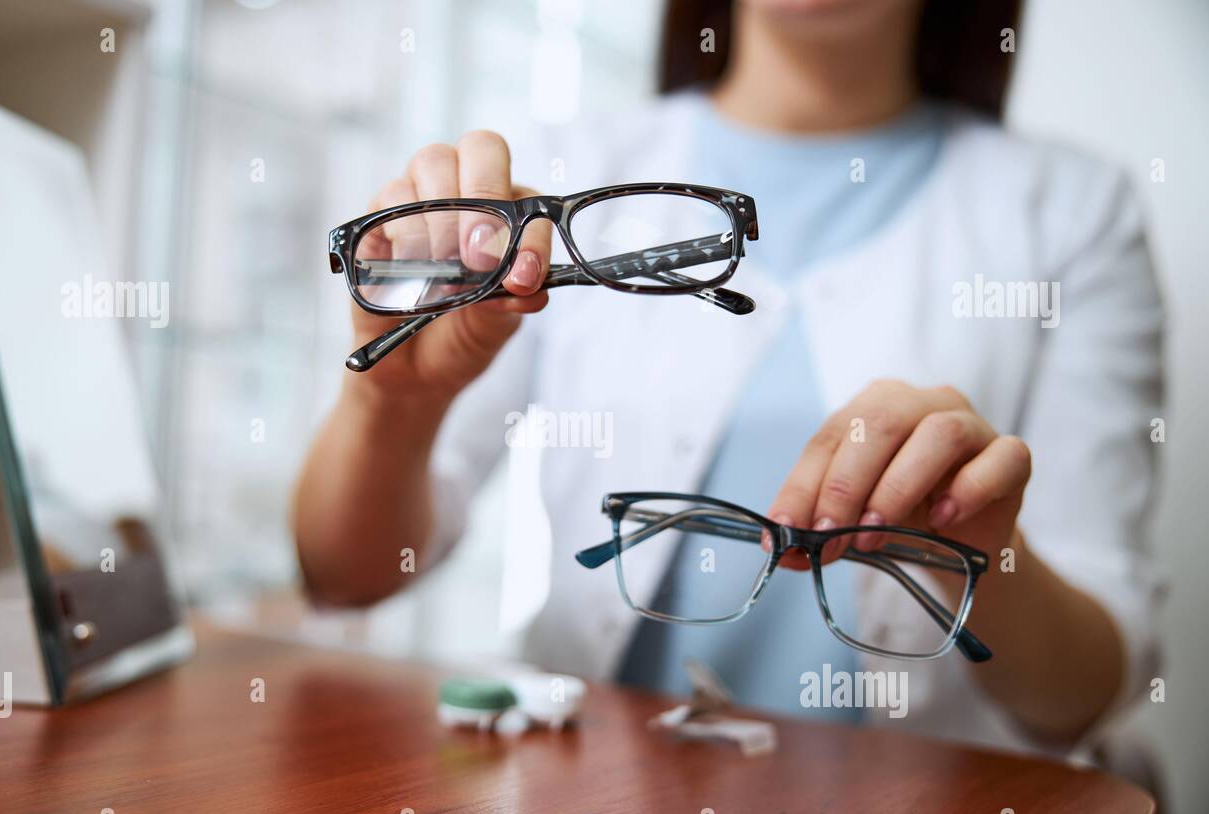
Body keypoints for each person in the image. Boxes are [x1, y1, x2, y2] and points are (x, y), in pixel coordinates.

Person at [294, 0, 1164, 756]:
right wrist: (394, 403)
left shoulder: (1074, 214)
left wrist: (978, 546)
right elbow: (345, 576)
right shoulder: (550, 183)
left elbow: (1082, 696)